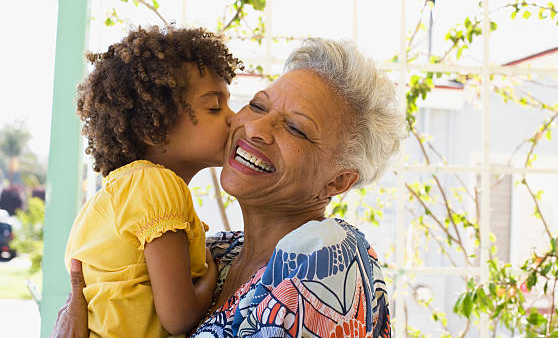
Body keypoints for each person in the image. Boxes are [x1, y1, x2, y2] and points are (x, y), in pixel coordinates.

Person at [53, 38, 403, 338]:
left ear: (338, 180)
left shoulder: (325, 261)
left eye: (296, 128)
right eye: (258, 105)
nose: (254, 128)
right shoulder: (217, 251)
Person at [64, 26, 241, 337]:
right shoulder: (158, 186)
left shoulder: (116, 195)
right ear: (154, 127)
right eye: (214, 107)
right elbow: (179, 318)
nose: (233, 117)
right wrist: (214, 277)